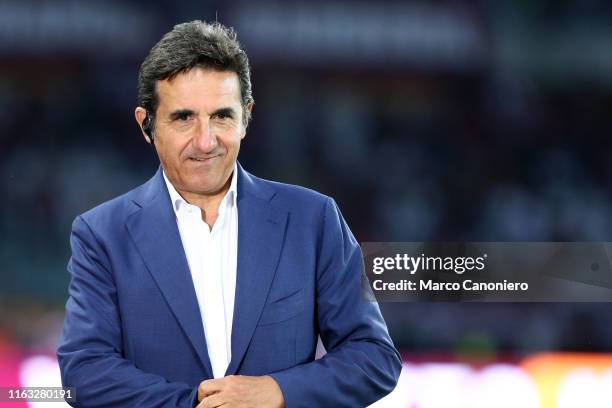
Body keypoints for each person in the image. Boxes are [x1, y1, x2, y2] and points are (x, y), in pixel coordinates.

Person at [57, 20, 401, 408]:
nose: (205, 141)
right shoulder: (102, 233)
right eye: (184, 118)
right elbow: (84, 372)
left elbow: (374, 357)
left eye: (221, 116)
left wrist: (278, 391)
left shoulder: (312, 219)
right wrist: (195, 403)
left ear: (246, 117)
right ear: (146, 124)